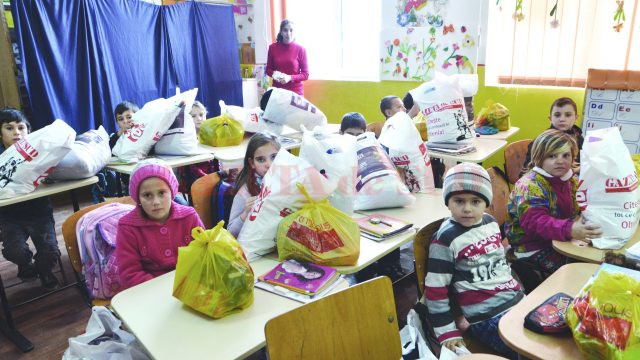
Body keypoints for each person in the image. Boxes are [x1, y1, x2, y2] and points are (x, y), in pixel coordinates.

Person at [425, 162, 524, 358]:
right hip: (486, 317)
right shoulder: (445, 239)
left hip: (517, 301)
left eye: (475, 201)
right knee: (528, 351)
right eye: (459, 201)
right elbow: (435, 290)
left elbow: (499, 264)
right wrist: (447, 331)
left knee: (553, 334)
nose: (467, 209)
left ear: (486, 202)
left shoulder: (491, 223)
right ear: (448, 202)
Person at [506, 129, 601, 283]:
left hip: (560, 239)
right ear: (539, 158)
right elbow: (536, 222)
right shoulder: (530, 185)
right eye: (552, 156)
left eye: (566, 155)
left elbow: (583, 203)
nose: (560, 161)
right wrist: (570, 229)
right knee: (580, 275)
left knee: (599, 259)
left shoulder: (571, 180)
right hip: (532, 246)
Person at [115, 158, 204, 289]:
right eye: (147, 195)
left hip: (190, 285)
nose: (156, 202)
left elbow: (204, 255)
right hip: (149, 292)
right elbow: (129, 274)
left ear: (172, 192)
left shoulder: (190, 217)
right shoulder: (127, 227)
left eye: (162, 193)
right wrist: (163, 288)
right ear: (137, 198)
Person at [0, 108, 60, 290]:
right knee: (15, 251)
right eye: (9, 128)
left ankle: (44, 271)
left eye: (21, 127)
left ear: (29, 131)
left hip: (39, 212)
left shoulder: (39, 154)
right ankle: (25, 265)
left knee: (50, 251)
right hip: (9, 217)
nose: (17, 132)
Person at [228, 133, 281, 237]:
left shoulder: (288, 180)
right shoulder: (246, 191)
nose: (269, 164)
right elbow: (230, 232)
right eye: (261, 159)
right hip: (257, 247)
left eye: (274, 157)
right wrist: (246, 213)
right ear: (252, 163)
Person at [522, 97, 583, 173]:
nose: (562, 119)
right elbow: (529, 170)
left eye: (568, 115)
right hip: (543, 182)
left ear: (576, 118)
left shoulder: (580, 139)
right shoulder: (541, 141)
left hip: (574, 181)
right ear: (550, 119)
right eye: (557, 115)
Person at [177, 101, 217, 196]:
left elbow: (215, 158)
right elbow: (187, 166)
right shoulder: (184, 137)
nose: (199, 119)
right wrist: (205, 177)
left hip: (210, 171)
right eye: (193, 116)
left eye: (201, 115)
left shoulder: (210, 134)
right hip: (192, 174)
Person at [266, 19, 309, 96]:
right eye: (285, 30)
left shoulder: (301, 50)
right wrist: (276, 75)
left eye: (291, 30)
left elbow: (305, 74)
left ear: (294, 32)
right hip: (278, 91)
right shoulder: (272, 48)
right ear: (281, 32)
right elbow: (268, 70)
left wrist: (290, 78)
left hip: (295, 93)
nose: (288, 33)